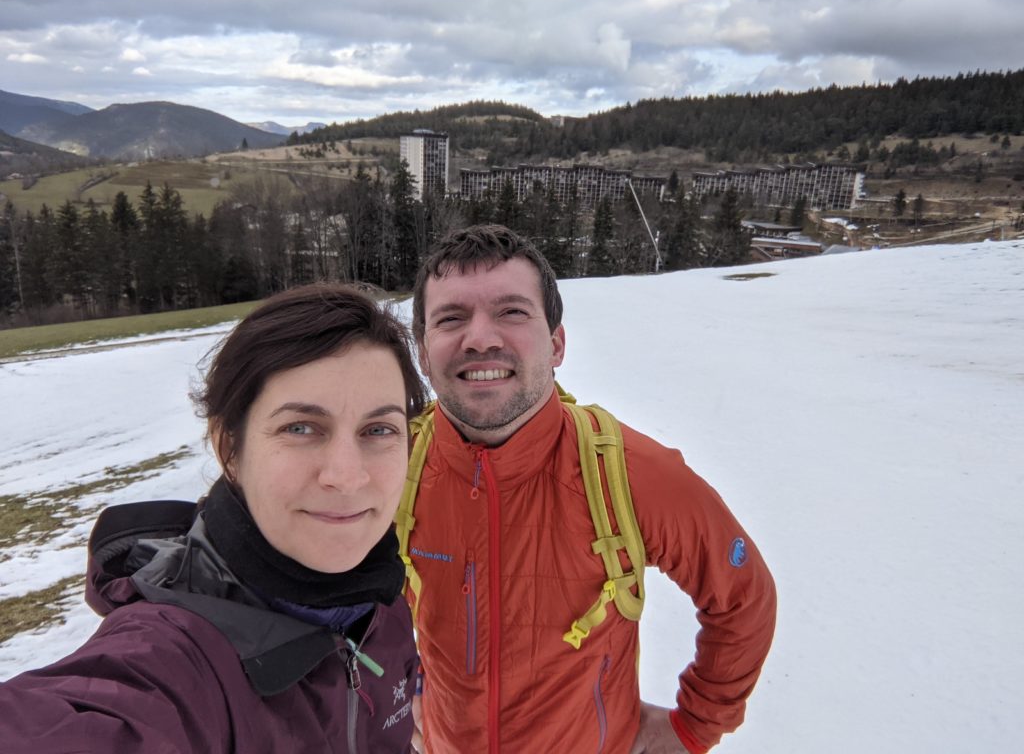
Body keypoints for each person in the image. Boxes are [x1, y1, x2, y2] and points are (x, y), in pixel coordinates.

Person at [0, 284, 427, 753]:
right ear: (230, 449)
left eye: (378, 429)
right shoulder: (172, 664)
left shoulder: (379, 601)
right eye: (301, 428)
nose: (346, 476)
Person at [405, 225, 777, 754]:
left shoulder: (628, 473)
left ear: (556, 344)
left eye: (512, 312)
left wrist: (694, 725)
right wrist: (394, 701)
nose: (480, 338)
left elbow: (743, 597)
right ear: (423, 353)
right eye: (451, 318)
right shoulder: (395, 467)